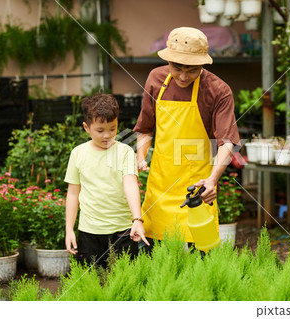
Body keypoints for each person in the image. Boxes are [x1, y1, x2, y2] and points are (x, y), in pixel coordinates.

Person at [133, 27, 240, 251]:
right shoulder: (156, 79)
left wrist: (212, 180)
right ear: (168, 60)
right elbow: (145, 129)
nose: (183, 76)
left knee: (199, 263)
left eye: (192, 70)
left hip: (197, 190)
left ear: (203, 64)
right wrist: (140, 157)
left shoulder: (218, 91)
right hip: (159, 189)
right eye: (176, 67)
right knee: (157, 265)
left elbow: (227, 142)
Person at [65, 94, 149, 268]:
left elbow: (131, 184)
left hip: (123, 229)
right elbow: (73, 193)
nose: (107, 135)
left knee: (125, 281)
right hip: (89, 231)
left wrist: (137, 220)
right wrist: (69, 229)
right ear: (86, 127)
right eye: (100, 130)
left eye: (113, 129)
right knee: (91, 282)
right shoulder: (78, 153)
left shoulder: (125, 152)